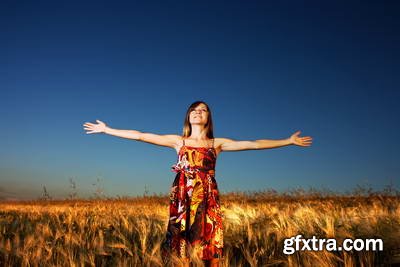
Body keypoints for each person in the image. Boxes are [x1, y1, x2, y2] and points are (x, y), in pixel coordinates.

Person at [83, 100, 313, 267]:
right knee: (181, 241)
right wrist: (107, 129)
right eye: (193, 110)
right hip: (183, 194)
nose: (197, 112)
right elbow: (141, 135)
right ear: (188, 116)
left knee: (210, 241)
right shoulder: (178, 141)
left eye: (203, 110)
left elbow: (254, 143)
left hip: (207, 195)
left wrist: (288, 141)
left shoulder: (217, 143)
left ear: (208, 118)